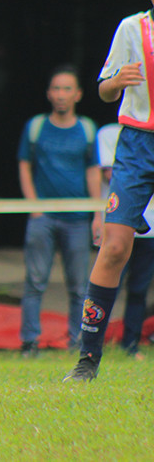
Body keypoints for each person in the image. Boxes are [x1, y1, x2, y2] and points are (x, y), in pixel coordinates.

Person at [66, 0, 154, 381]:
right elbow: (103, 89)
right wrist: (115, 81)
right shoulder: (131, 29)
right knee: (115, 246)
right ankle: (87, 359)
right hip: (138, 145)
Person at [17, 65, 101, 359]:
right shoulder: (36, 126)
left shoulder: (87, 129)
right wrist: (34, 206)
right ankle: (29, 342)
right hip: (43, 217)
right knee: (35, 281)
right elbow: (25, 165)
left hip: (78, 218)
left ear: (77, 94)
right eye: (56, 88)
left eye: (67, 89)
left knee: (80, 286)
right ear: (48, 93)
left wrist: (96, 213)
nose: (61, 95)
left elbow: (93, 171)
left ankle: (77, 343)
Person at [95, 123, 154, 360]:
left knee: (139, 289)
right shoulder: (110, 133)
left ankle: (130, 344)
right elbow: (111, 174)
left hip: (151, 228)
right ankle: (92, 344)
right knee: (107, 284)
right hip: (120, 222)